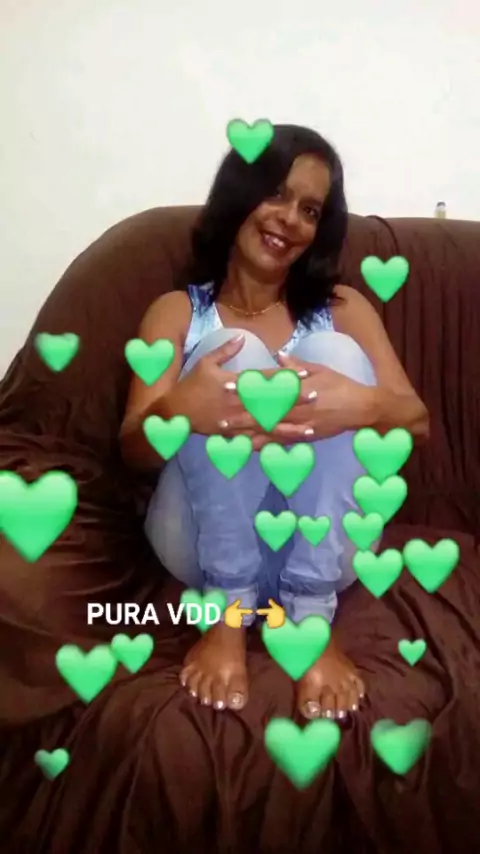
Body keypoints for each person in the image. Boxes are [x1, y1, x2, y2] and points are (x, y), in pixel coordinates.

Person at [119, 124, 429, 721]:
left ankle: (309, 615)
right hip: (201, 540)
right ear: (240, 194)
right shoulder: (178, 312)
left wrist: (362, 405)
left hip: (320, 548)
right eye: (277, 194)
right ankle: (229, 613)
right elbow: (134, 449)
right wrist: (182, 409)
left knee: (337, 356)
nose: (289, 219)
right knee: (232, 353)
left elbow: (415, 422)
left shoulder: (343, 309)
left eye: (310, 210)